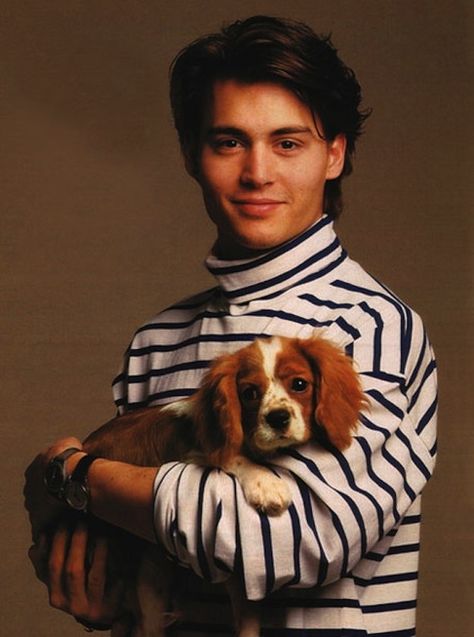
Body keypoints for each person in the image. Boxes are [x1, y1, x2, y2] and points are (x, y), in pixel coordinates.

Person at [25, 15, 438, 636]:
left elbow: (285, 544)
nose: (257, 173)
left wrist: (74, 474)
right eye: (228, 142)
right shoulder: (157, 342)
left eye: (288, 143)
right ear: (193, 155)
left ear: (335, 153)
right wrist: (92, 575)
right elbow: (124, 558)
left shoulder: (370, 326)